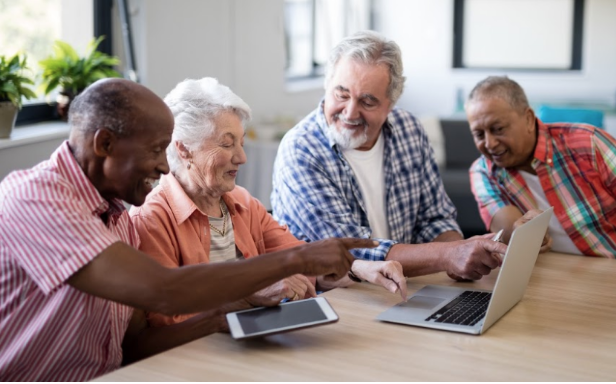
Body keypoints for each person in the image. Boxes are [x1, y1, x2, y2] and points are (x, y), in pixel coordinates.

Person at [0, 78, 374, 381]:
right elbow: (164, 291)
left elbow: (134, 348)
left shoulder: (117, 221)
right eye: (156, 150)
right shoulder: (35, 197)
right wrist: (298, 258)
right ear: (105, 144)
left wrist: (223, 318)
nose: (165, 167)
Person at [130, 77, 407, 328]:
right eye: (227, 144)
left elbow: (300, 258)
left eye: (241, 143)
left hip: (256, 342)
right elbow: (165, 320)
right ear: (183, 148)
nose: (242, 157)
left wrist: (360, 268)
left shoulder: (242, 202)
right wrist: (247, 296)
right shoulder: (152, 218)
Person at [271, 30, 509, 282]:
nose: (350, 113)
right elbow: (348, 250)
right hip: (335, 297)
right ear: (327, 86)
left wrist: (459, 257)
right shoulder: (301, 150)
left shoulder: (409, 130)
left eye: (367, 102)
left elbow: (434, 218)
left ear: (390, 103)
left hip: (402, 289)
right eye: (341, 95)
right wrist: (448, 254)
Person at [465, 75, 616, 266]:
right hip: (556, 284)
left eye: (498, 129)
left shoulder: (590, 144)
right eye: (479, 134)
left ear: (528, 119)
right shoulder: (483, 172)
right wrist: (521, 233)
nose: (490, 144)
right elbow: (510, 231)